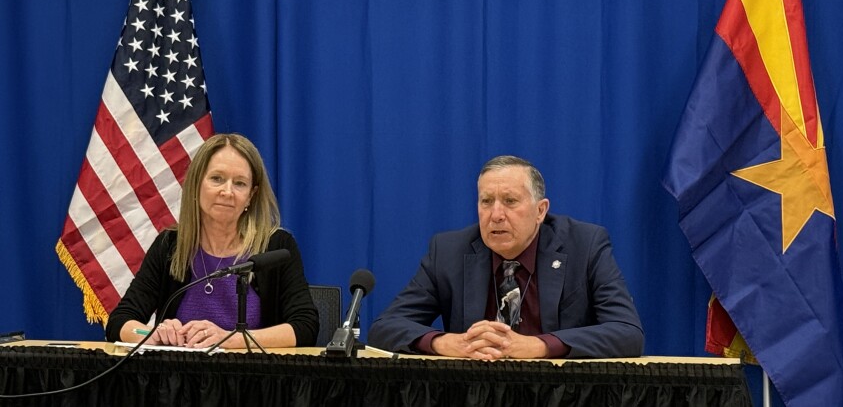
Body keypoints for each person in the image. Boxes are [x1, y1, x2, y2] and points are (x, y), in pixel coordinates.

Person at [367, 155, 644, 359]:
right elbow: (384, 328)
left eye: (510, 201)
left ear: (540, 211)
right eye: (486, 201)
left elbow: (627, 333)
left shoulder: (584, 245)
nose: (496, 214)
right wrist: (444, 343)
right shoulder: (448, 250)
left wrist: (540, 345)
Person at [105, 133, 319, 349]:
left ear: (251, 196)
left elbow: (305, 327)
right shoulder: (170, 245)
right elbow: (120, 321)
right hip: (178, 379)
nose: (227, 192)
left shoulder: (276, 246)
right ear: (197, 184)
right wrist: (152, 335)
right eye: (217, 179)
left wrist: (228, 339)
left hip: (254, 379)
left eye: (240, 183)